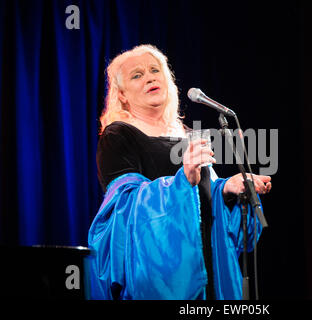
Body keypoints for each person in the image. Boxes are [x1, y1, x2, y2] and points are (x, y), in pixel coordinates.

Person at [87, 44, 272, 300]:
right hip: (163, 272)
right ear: (122, 95)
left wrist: (227, 188)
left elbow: (204, 197)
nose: (150, 77)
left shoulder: (185, 134)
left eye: (155, 70)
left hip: (205, 260)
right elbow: (123, 209)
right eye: (137, 75)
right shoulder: (118, 136)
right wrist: (181, 182)